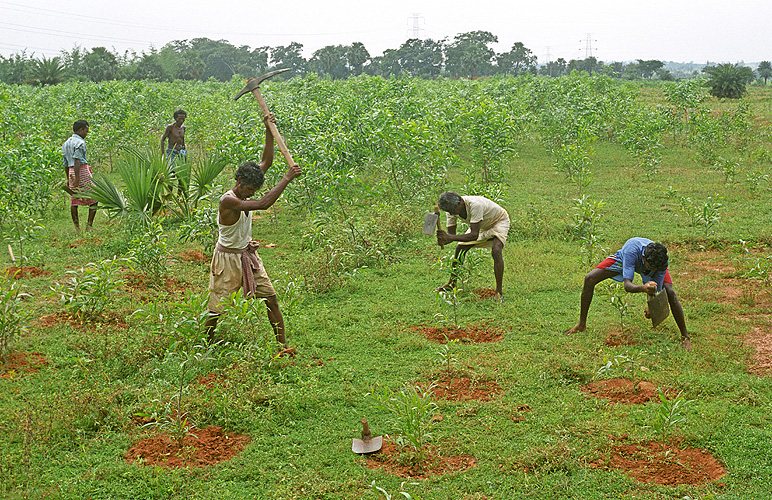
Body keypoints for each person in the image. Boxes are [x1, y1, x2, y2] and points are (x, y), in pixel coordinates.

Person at [204, 115, 301, 355]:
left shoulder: (246, 187)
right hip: (226, 260)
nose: (250, 194)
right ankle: (206, 346)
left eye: (253, 190)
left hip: (247, 256)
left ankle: (282, 347)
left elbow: (266, 160)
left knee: (271, 299)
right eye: (248, 189)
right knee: (217, 308)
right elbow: (264, 204)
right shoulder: (229, 200)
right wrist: (286, 178)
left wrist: (269, 129)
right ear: (238, 181)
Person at [565, 237, 691, 350]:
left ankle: (685, 336)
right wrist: (643, 288)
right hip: (625, 258)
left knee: (670, 292)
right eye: (652, 268)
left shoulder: (660, 263)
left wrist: (651, 306)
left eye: (656, 269)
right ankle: (581, 325)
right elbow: (627, 285)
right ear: (643, 259)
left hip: (650, 262)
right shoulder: (630, 252)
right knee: (589, 278)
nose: (654, 271)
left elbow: (654, 286)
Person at [435, 191, 510, 301]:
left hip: (498, 221)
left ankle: (499, 291)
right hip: (480, 225)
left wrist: (449, 237)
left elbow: (473, 235)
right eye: (448, 212)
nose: (450, 214)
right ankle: (452, 283)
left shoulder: (475, 205)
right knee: (460, 248)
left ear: (460, 203)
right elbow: (452, 235)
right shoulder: (451, 210)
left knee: (496, 250)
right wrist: (443, 240)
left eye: (451, 211)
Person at [62, 119, 97, 232]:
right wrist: (77, 178)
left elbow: (66, 164)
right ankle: (88, 226)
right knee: (94, 198)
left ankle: (77, 228)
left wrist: (69, 178)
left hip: (72, 172)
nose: (86, 134)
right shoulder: (80, 143)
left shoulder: (66, 144)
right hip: (81, 171)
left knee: (74, 199)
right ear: (81, 130)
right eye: (86, 131)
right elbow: (77, 160)